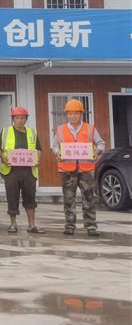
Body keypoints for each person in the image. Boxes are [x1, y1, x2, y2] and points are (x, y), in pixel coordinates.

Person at [52, 99, 104, 237]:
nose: (73, 116)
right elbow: (55, 145)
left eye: (76, 113)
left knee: (89, 198)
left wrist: (97, 151)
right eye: (70, 113)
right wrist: (57, 152)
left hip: (86, 169)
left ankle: (91, 226)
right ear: (66, 115)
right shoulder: (60, 129)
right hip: (67, 169)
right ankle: (69, 225)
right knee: (68, 198)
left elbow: (100, 143)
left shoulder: (90, 128)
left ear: (81, 114)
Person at [0, 106, 44, 234]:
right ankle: (13, 224)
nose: (20, 120)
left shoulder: (32, 132)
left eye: (22, 118)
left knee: (30, 197)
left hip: (28, 171)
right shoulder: (5, 131)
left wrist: (37, 158)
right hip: (11, 171)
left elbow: (38, 149)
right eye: (17, 118)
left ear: (26, 119)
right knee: (12, 197)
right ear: (13, 119)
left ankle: (32, 225)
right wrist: (3, 158)